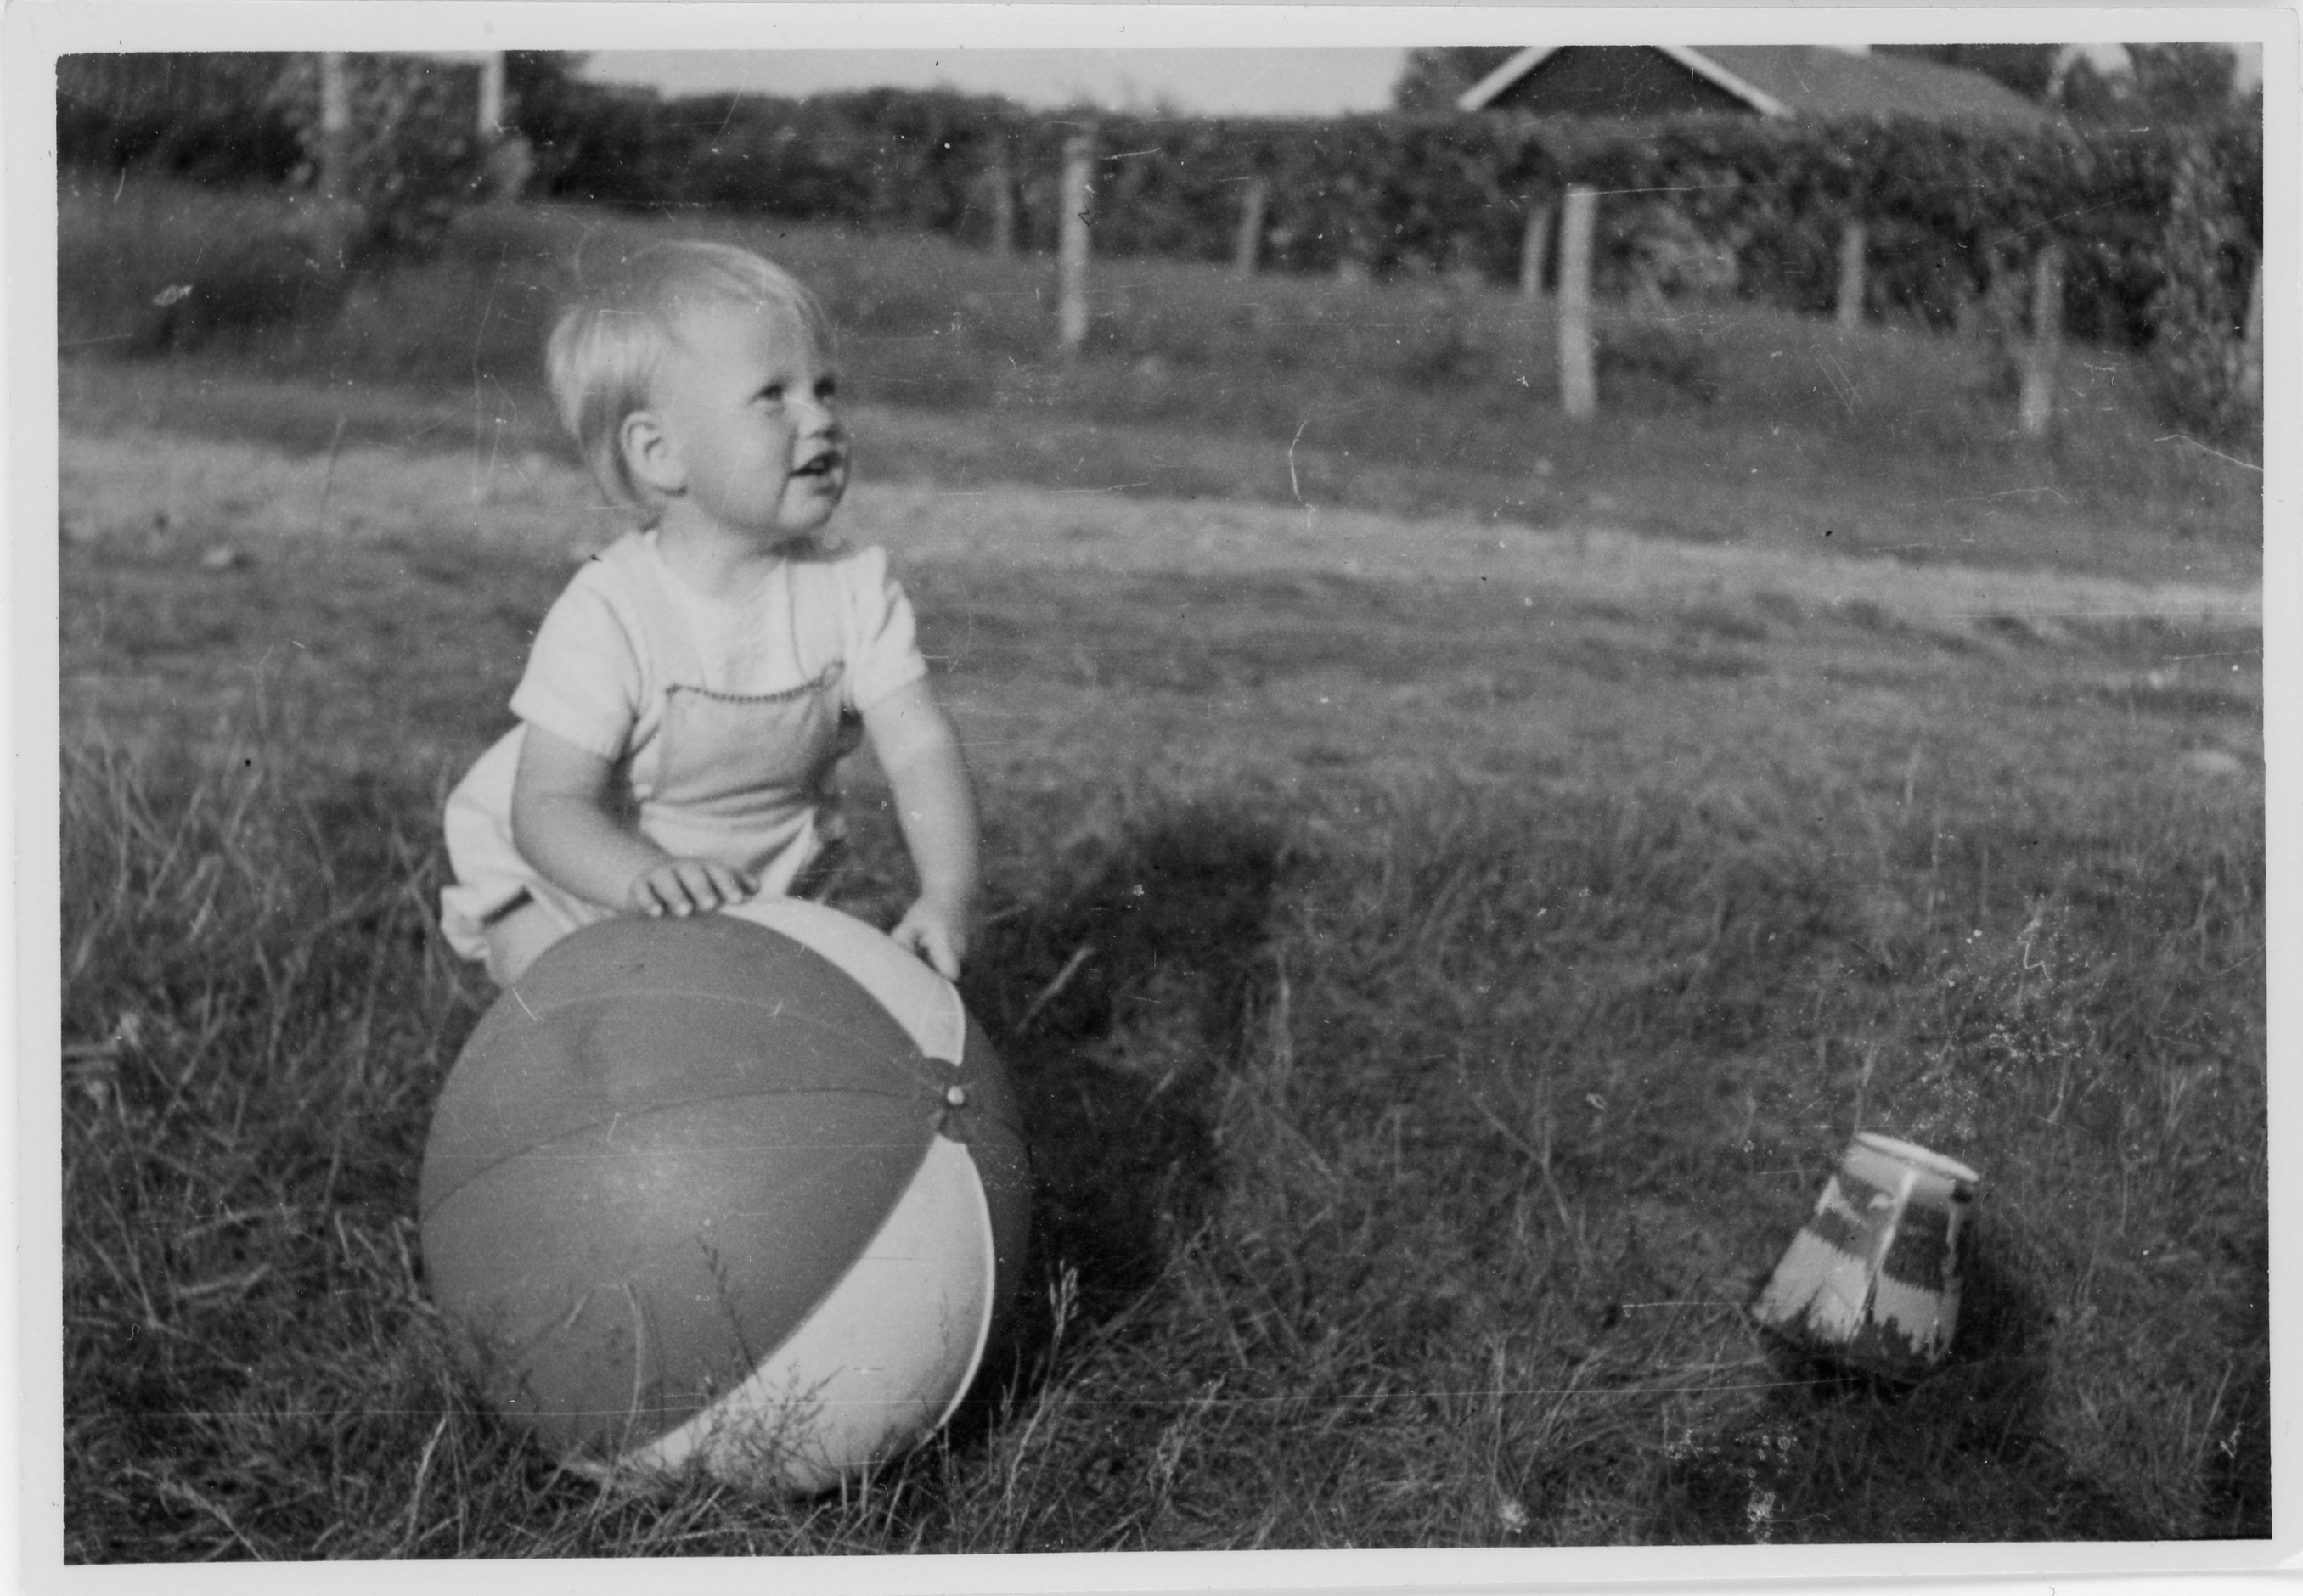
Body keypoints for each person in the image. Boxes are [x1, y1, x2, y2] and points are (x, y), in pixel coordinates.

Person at [439, 240, 979, 986]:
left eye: (825, 390)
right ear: (660, 453)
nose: (820, 419)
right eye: (774, 396)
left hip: (759, 886)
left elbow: (919, 749)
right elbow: (549, 805)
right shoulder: (614, 610)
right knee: (558, 976)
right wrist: (640, 877)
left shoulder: (853, 589)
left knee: (810, 1004)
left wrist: (947, 896)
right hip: (584, 882)